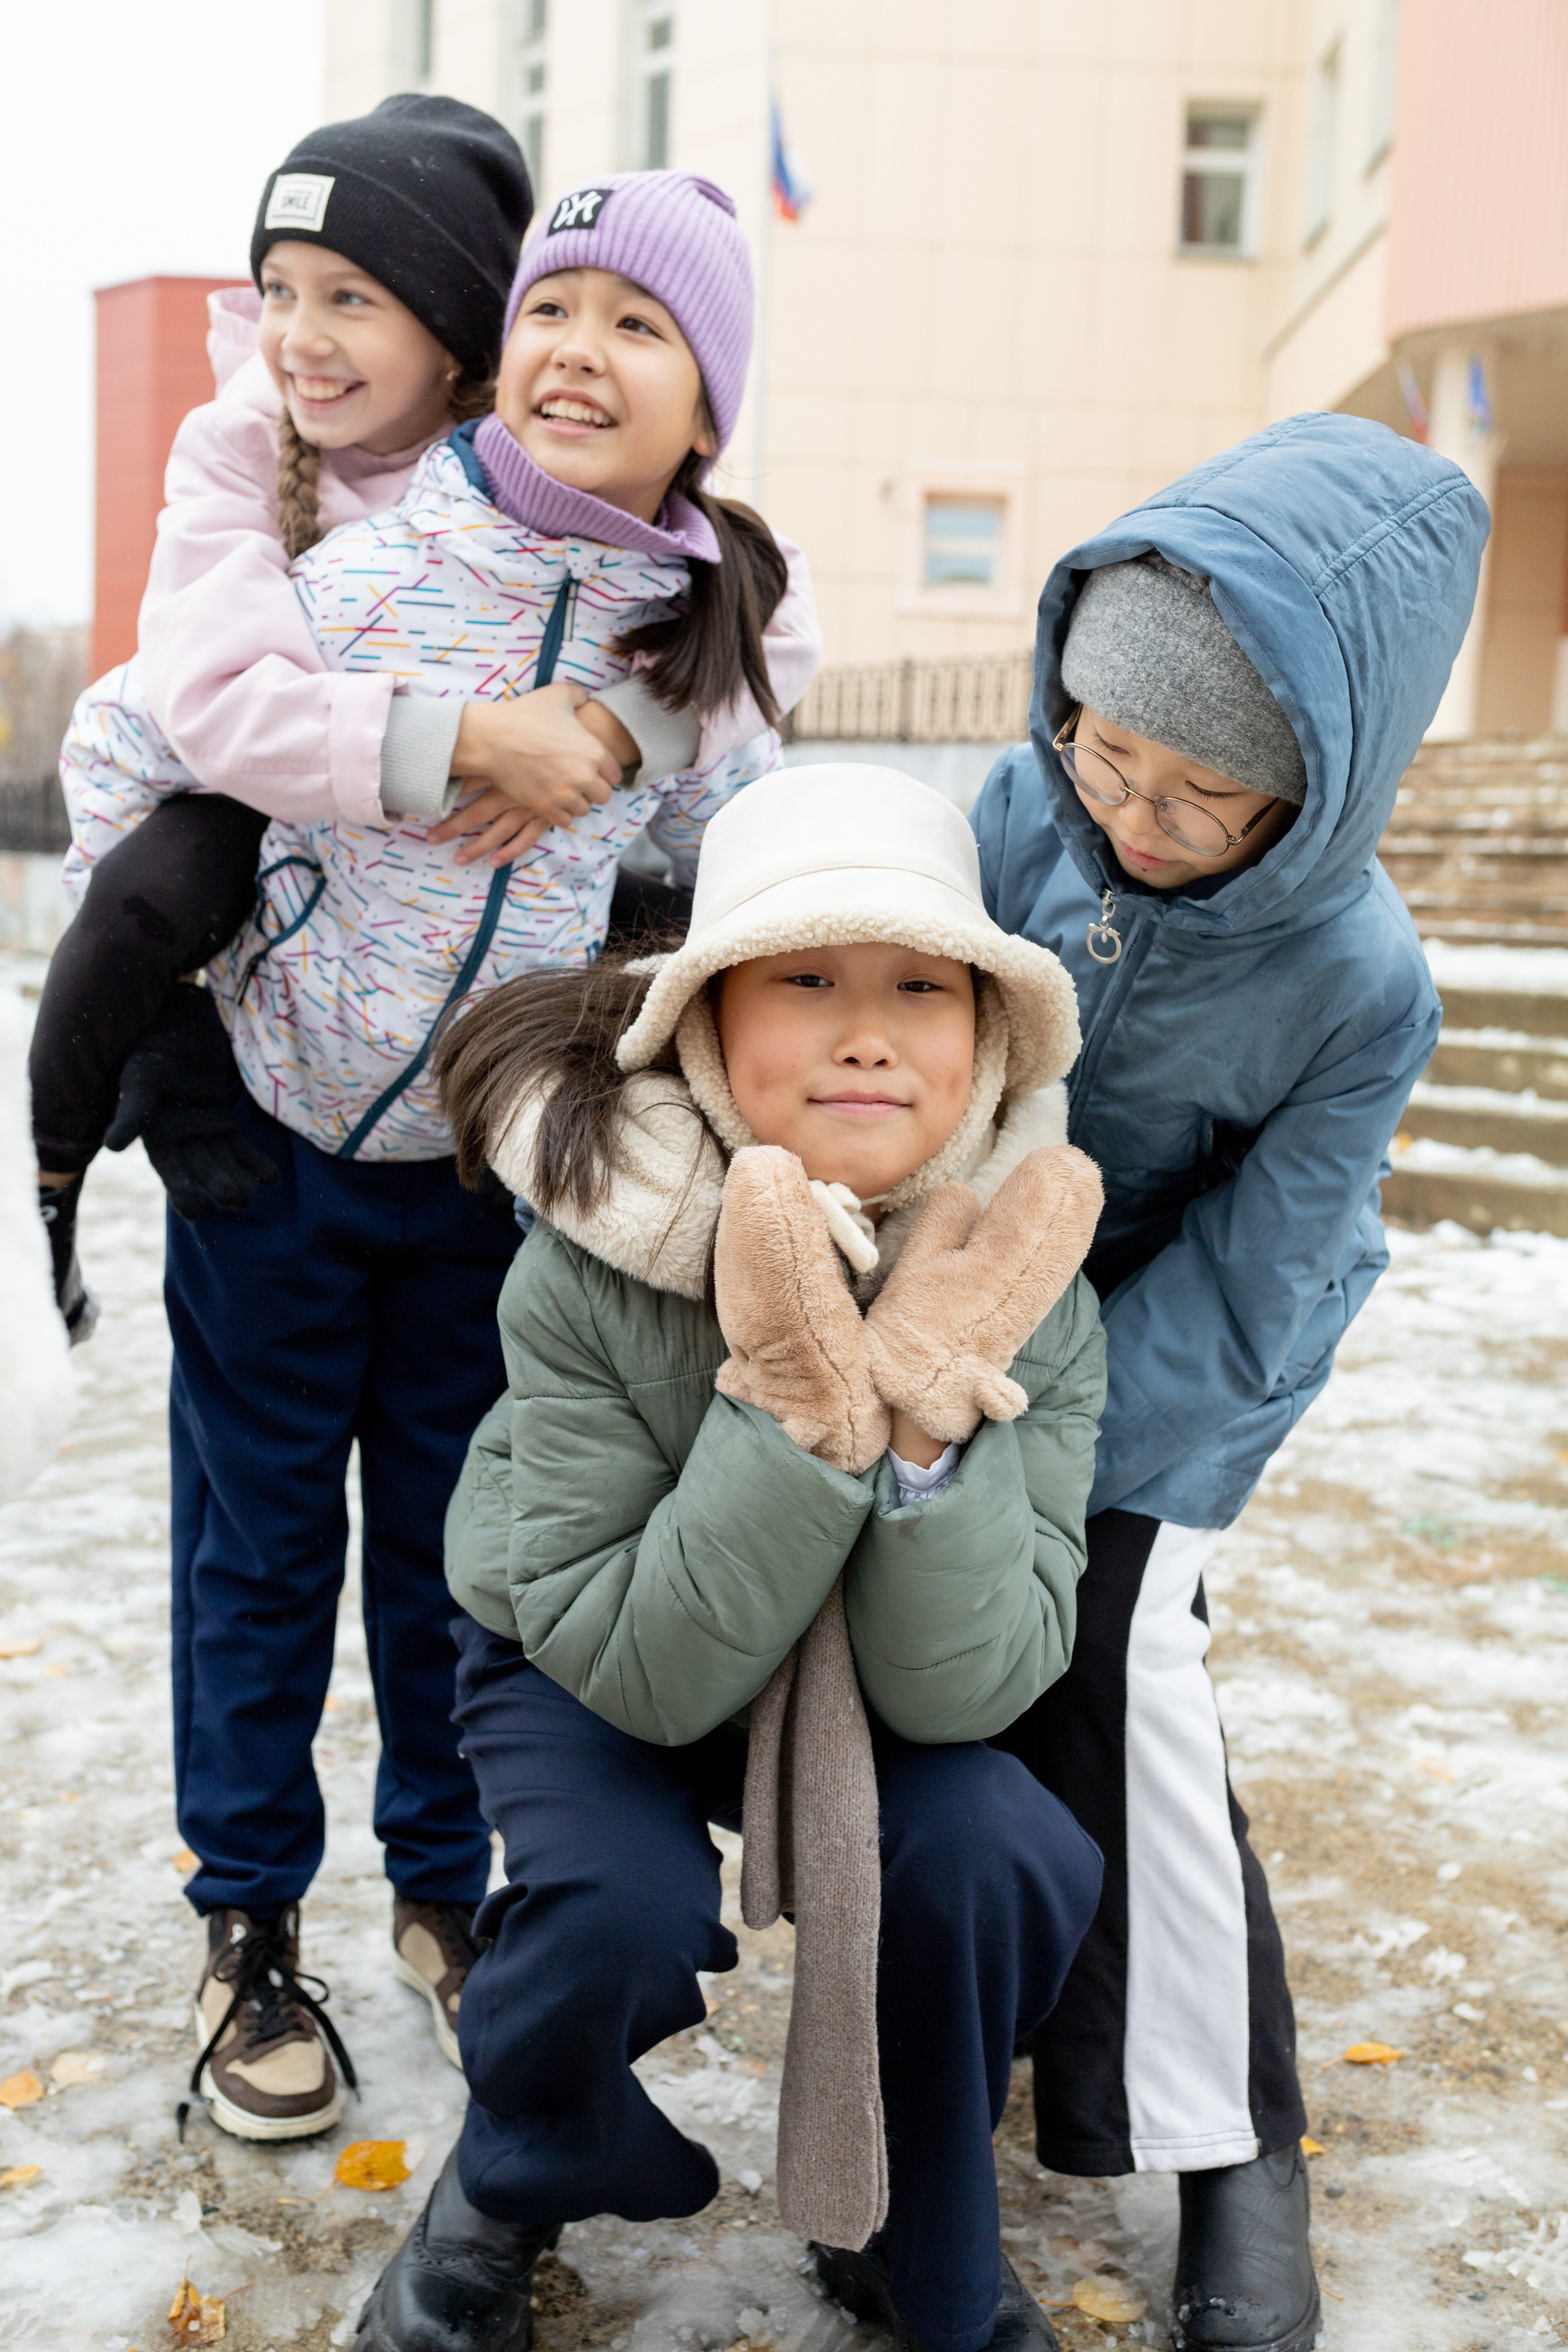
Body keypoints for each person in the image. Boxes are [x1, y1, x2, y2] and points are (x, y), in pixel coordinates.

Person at [55, 166, 812, 2144]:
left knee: (459, 1570)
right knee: (258, 1561)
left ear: (707, 410)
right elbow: (134, 757)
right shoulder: (377, 561)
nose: (583, 353)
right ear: (502, 348)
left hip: (501, 1195)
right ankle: (247, 1928)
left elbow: (754, 818)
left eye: (641, 329)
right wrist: (180, 1077)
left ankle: (434, 1888)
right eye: (558, 310)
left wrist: (644, 791)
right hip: (279, 1164)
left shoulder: (709, 633)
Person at [355, 764, 1109, 2352]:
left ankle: (908, 2218)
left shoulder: (1024, 1273)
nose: (867, 1030)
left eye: (922, 987)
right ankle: (509, 2176)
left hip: (874, 1682)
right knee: (612, 1904)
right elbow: (649, 1664)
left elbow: (970, 1681)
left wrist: (919, 1422)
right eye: (808, 981)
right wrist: (794, 1397)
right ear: (707, 1026)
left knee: (1003, 1851)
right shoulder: (598, 1239)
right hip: (601, 1652)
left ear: (985, 1038)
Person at [971, 412, 1489, 2352]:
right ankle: (968, 2060)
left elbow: (1267, 1276)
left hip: (1190, 1352)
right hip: (953, 1300)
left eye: (1202, 798)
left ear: (1317, 791)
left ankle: (1232, 2144)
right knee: (949, 1656)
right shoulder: (1017, 812)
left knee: (1126, 1663)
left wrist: (1031, 1403)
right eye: (1108, 752)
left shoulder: (1364, 981)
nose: (1132, 818)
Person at [33, 111, 818, 1338]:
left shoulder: (579, 513)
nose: (300, 337)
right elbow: (181, 711)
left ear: (456, 333)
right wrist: (471, 741)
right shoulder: (256, 459)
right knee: (175, 856)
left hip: (479, 1110)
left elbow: (765, 640)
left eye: (352, 296)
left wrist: (619, 734)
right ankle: (49, 1175)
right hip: (280, 925)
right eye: (279, 291)